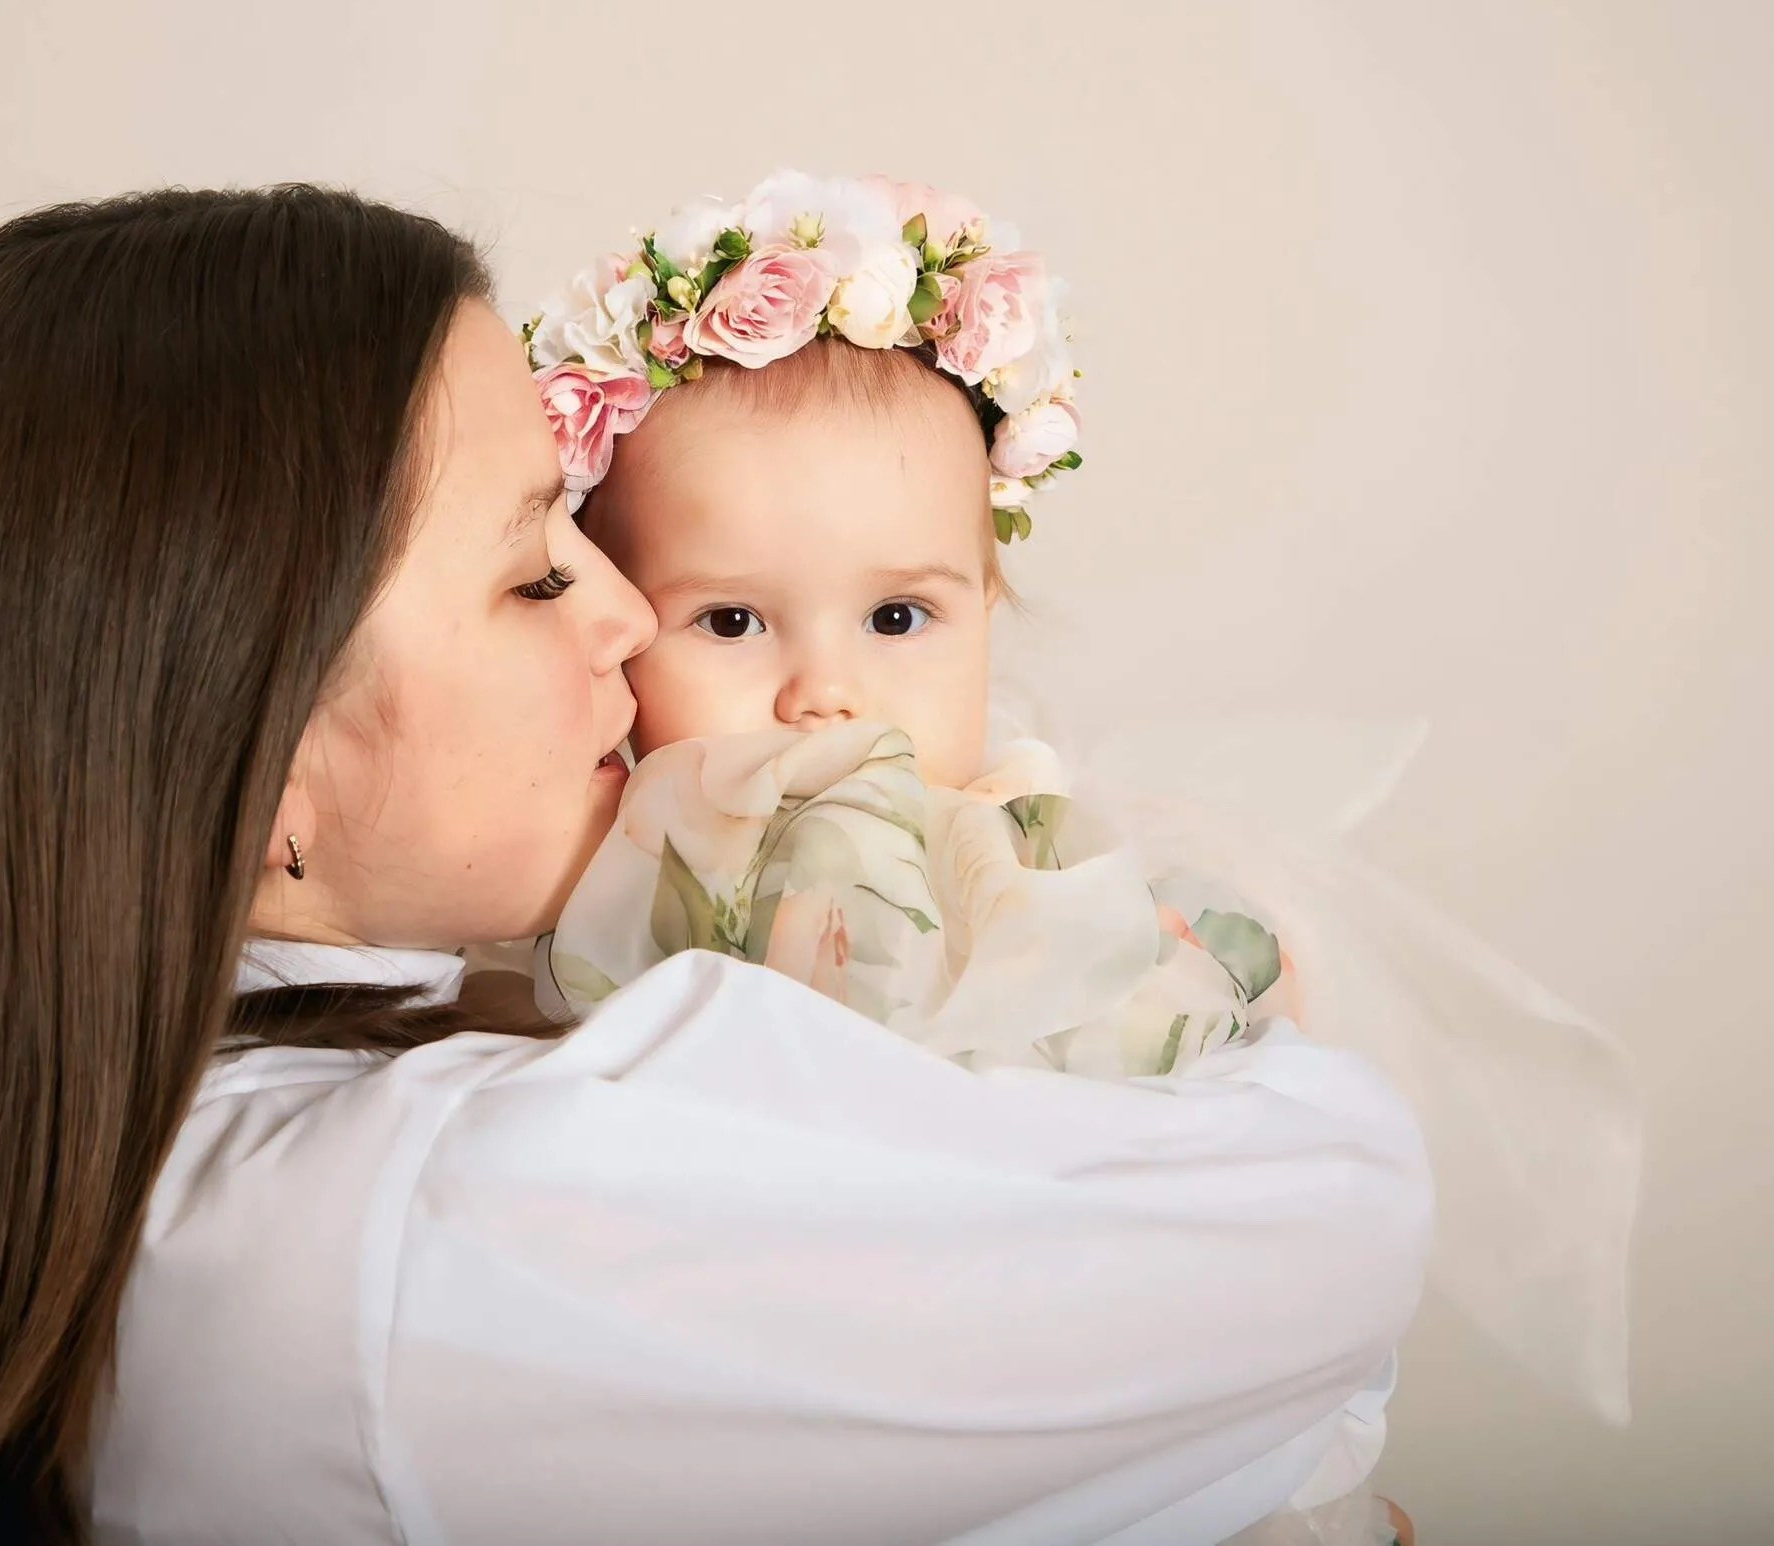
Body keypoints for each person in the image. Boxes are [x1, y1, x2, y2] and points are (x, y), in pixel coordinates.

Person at [0, 185, 1431, 1545]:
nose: (624, 615)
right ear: (265, 770)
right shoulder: (450, 1224)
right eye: (537, 569)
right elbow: (1333, 1219)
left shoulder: (158, 1168)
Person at [525, 171, 1644, 1543]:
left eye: (897, 617)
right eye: (733, 622)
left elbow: (1159, 1049)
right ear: (618, 626)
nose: (827, 694)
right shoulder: (624, 875)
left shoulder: (1029, 832)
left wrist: (1207, 981)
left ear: (988, 611)